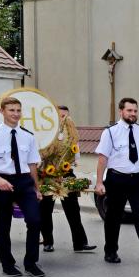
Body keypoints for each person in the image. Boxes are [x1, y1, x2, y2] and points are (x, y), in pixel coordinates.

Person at [0, 97, 45, 277]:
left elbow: (32, 164)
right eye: (11, 110)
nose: (15, 114)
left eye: (18, 110)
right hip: (1, 181)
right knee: (3, 225)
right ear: (2, 111)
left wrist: (36, 188)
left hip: (24, 182)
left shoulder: (28, 136)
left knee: (35, 220)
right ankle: (7, 264)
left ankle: (31, 263)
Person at [94, 98, 139, 265]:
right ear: (121, 111)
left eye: (135, 111)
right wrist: (99, 182)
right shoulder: (110, 132)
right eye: (129, 110)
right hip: (117, 179)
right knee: (113, 218)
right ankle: (110, 252)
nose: (133, 114)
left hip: (137, 180)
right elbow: (103, 158)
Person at [39, 105, 95, 253]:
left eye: (66, 116)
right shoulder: (45, 136)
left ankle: (80, 243)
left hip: (66, 173)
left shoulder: (72, 136)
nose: (64, 119)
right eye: (61, 116)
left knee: (73, 210)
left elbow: (76, 157)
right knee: (45, 210)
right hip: (48, 175)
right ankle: (47, 242)